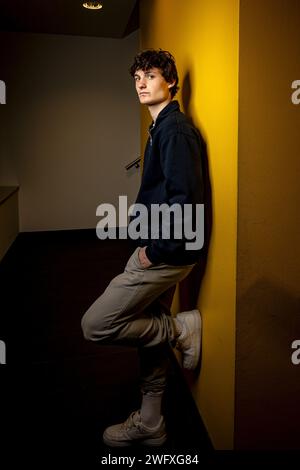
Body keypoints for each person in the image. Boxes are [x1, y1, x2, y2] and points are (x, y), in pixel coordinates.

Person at [81, 49, 204, 447]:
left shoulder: (175, 130)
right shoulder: (160, 128)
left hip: (167, 254)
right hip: (162, 248)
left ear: (171, 82)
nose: (141, 82)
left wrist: (156, 250)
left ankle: (180, 328)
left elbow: (185, 200)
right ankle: (151, 423)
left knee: (96, 325)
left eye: (150, 75)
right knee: (148, 337)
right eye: (137, 77)